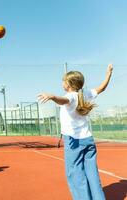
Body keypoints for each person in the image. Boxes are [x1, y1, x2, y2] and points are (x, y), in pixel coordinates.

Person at [38, 64, 113, 200]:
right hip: (88, 140)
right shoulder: (86, 93)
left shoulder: (71, 96)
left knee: (75, 175)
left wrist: (53, 96)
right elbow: (102, 88)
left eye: (63, 81)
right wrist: (108, 74)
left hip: (74, 141)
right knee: (92, 174)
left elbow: (64, 100)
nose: (62, 83)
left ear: (69, 84)